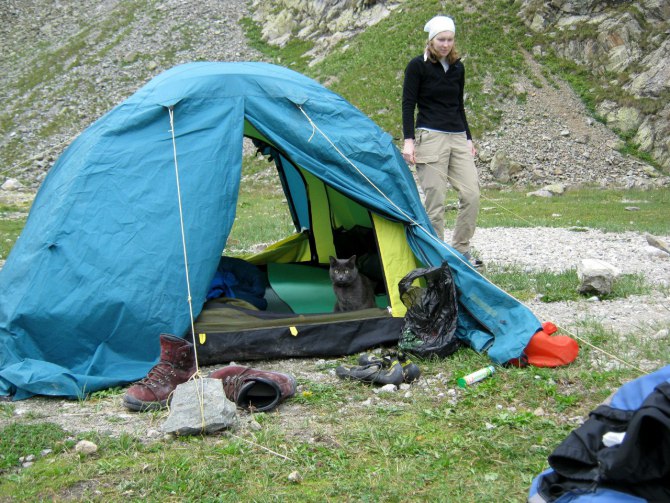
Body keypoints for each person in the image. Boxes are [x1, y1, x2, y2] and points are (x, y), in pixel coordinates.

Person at [401, 15, 482, 267]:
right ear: (431, 40)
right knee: (435, 200)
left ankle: (460, 251)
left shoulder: (458, 67)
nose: (446, 44)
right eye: (441, 40)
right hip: (430, 136)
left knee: (472, 194)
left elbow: (459, 105)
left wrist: (468, 138)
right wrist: (409, 140)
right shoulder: (417, 66)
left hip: (457, 136)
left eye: (449, 39)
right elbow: (408, 104)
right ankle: (436, 257)